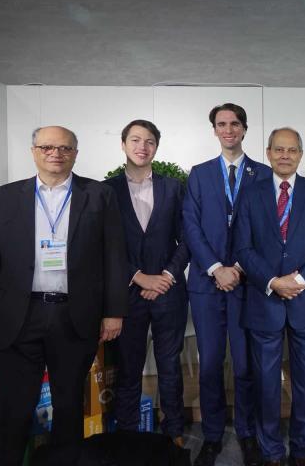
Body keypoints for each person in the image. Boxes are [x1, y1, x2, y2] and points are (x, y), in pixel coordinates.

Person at [0, 126, 129, 465]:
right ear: (34, 151)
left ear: (75, 153)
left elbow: (115, 255)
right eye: (47, 147)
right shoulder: (5, 197)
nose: (55, 154)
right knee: (10, 408)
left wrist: (114, 311)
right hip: (17, 316)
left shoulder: (99, 195)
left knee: (69, 405)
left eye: (64, 148)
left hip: (74, 317)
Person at [235, 127, 305, 466]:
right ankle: (271, 451)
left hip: (304, 301)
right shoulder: (250, 194)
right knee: (266, 382)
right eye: (278, 149)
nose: (284, 155)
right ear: (267, 152)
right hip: (265, 299)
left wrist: (300, 278)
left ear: (300, 155)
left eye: (291, 150)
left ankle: (303, 449)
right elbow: (243, 247)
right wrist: (272, 281)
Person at [183, 103, 271, 466]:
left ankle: (248, 434)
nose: (228, 129)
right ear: (214, 130)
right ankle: (214, 434)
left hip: (247, 284)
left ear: (245, 129)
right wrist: (216, 267)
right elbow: (191, 225)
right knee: (210, 365)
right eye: (222, 124)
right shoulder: (199, 174)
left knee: (246, 366)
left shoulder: (263, 174)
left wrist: (236, 266)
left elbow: (266, 231)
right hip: (207, 285)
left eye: (235, 123)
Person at [105, 120, 190, 446]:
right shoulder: (107, 190)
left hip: (169, 292)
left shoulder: (173, 188)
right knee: (128, 368)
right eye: (136, 140)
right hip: (126, 292)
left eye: (150, 141)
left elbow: (187, 239)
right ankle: (128, 436)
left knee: (170, 366)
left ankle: (175, 433)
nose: (143, 146)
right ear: (124, 144)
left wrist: (167, 276)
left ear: (157, 146)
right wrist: (138, 276)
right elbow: (104, 245)